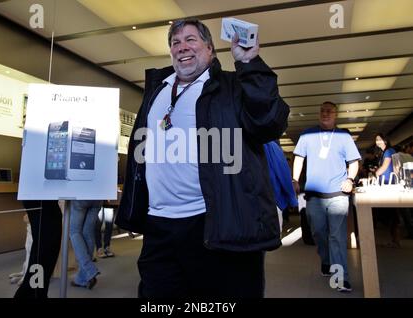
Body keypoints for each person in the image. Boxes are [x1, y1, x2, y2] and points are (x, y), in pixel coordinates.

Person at [115, 18, 289, 298]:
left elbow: (269, 122)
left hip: (213, 223)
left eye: (191, 39)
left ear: (210, 49)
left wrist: (250, 64)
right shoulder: (157, 90)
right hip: (159, 225)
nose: (182, 46)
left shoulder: (232, 87)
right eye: (175, 42)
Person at [292, 101, 360, 293]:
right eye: (322, 110)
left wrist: (350, 179)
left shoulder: (343, 136)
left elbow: (353, 162)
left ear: (336, 114)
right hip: (314, 195)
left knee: (337, 236)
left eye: (329, 111)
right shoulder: (307, 134)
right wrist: (294, 179)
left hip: (338, 194)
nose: (326, 113)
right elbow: (299, 158)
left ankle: (340, 278)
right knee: (318, 233)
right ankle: (326, 260)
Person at [14, 200, 62, 298]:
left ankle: (37, 294)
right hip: (41, 199)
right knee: (44, 250)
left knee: (44, 250)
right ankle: (32, 294)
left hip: (44, 199)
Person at [373, 133, 402, 247]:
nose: (378, 141)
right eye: (376, 140)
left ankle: (396, 240)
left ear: (385, 140)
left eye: (380, 139)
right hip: (385, 184)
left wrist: (375, 174)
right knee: (391, 213)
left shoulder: (389, 151)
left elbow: (385, 166)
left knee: (392, 213)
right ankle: (394, 240)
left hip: (389, 185)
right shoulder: (384, 152)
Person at [263, 141, 298, 231]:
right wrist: (292, 199)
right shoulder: (270, 145)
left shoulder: (235, 143)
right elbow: (283, 173)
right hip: (271, 199)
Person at [69, 200, 102, 289]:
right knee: (88, 233)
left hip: (81, 196)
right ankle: (82, 279)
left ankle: (89, 270)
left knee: (74, 232)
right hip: (98, 197)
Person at [9, 213, 33, 285]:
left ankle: (26, 277)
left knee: (33, 256)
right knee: (28, 255)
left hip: (37, 229)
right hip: (30, 230)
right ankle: (23, 274)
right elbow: (25, 218)